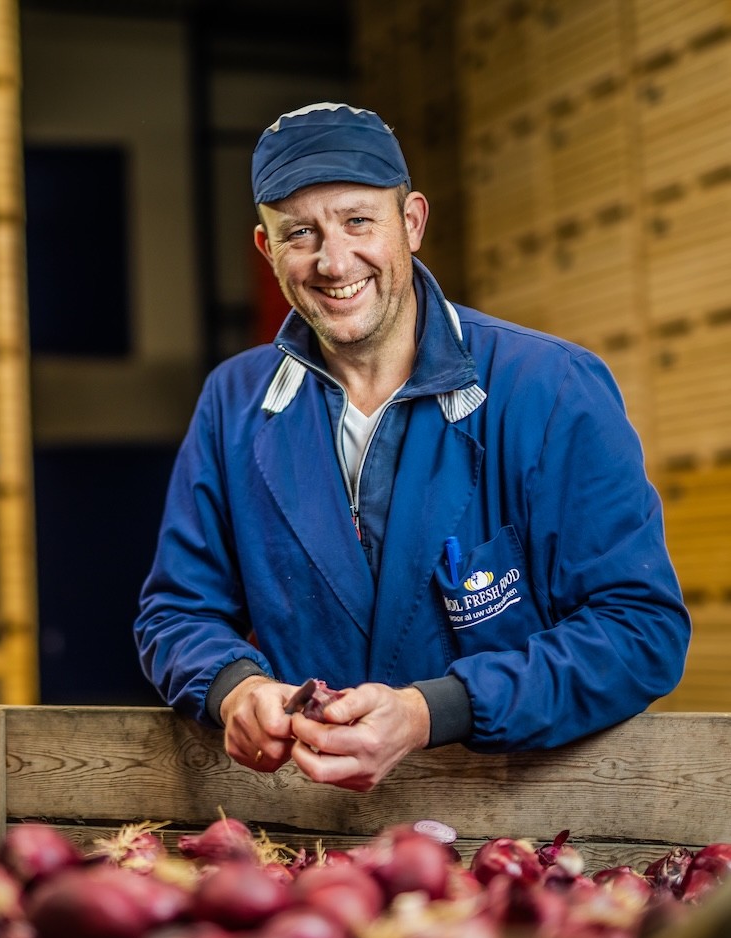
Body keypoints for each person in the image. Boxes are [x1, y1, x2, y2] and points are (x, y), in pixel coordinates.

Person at [134, 102, 690, 792]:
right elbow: (177, 612)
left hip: (514, 830)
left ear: (412, 222)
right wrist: (233, 687)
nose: (334, 262)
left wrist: (433, 711)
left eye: (358, 220)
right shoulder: (235, 404)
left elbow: (640, 633)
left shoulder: (549, 390)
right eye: (299, 233)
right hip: (309, 838)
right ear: (265, 249)